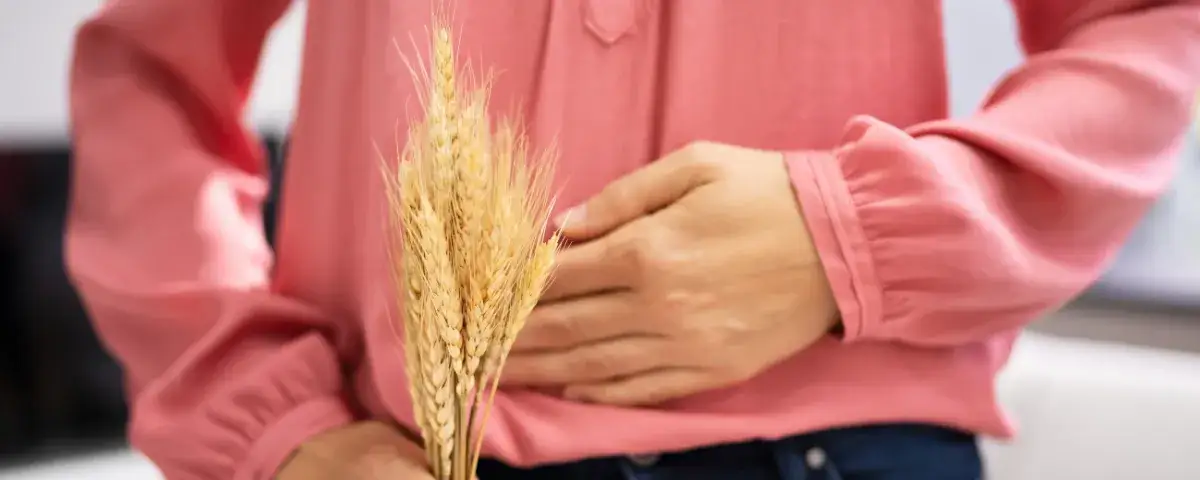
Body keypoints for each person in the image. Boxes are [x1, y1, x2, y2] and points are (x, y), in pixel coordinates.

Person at [66, 1, 1199, 479]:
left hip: (844, 450)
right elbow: (149, 78)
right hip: (404, 453)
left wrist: (852, 230)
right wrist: (272, 425)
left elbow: (1153, 27)